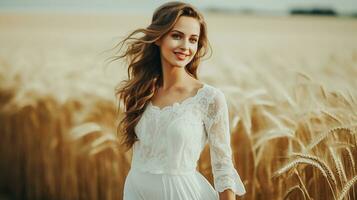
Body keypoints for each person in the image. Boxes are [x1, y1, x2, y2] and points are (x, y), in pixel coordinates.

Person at [111, 1, 246, 199]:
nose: (185, 46)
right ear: (158, 38)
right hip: (134, 190)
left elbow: (223, 169)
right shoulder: (141, 91)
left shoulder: (209, 98)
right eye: (177, 36)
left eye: (193, 40)